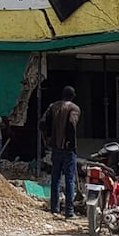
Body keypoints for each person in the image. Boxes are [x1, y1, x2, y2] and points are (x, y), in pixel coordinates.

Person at [39, 85, 81, 218]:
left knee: (55, 178)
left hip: (55, 148)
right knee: (69, 180)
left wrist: (47, 139)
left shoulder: (53, 106)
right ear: (73, 96)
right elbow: (72, 124)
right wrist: (71, 143)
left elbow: (42, 123)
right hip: (68, 150)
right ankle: (69, 211)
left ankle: (54, 208)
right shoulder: (74, 108)